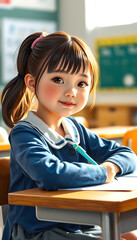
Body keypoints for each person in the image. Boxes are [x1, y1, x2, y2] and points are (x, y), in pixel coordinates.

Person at [1, 31, 137, 240]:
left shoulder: (73, 128)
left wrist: (111, 168)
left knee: (129, 235)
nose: (71, 91)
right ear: (31, 83)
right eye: (58, 79)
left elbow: (126, 154)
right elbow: (49, 174)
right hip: (36, 232)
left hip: (77, 224)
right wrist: (102, 173)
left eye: (81, 83)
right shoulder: (25, 133)